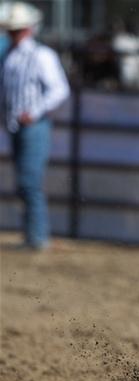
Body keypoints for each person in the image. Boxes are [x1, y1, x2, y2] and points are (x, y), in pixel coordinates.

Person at [0, 2, 69, 250]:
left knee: (29, 181)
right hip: (16, 126)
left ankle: (37, 237)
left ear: (29, 29)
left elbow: (59, 89)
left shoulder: (41, 55)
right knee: (24, 181)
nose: (14, 34)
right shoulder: (9, 55)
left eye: (18, 29)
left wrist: (36, 111)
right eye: (12, 30)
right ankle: (32, 235)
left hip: (34, 126)